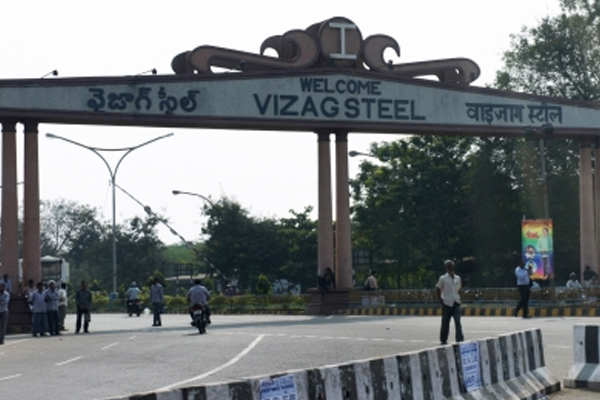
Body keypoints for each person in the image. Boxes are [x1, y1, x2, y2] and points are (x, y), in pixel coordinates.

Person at [436, 260, 464, 345]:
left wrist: (459, 298)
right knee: (445, 322)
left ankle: (459, 339)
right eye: (448, 266)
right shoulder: (443, 278)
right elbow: (438, 288)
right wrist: (440, 299)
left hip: (456, 302)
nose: (450, 268)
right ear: (446, 267)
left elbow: (459, 289)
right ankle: (443, 339)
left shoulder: (457, 278)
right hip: (447, 303)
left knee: (458, 321)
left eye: (451, 266)